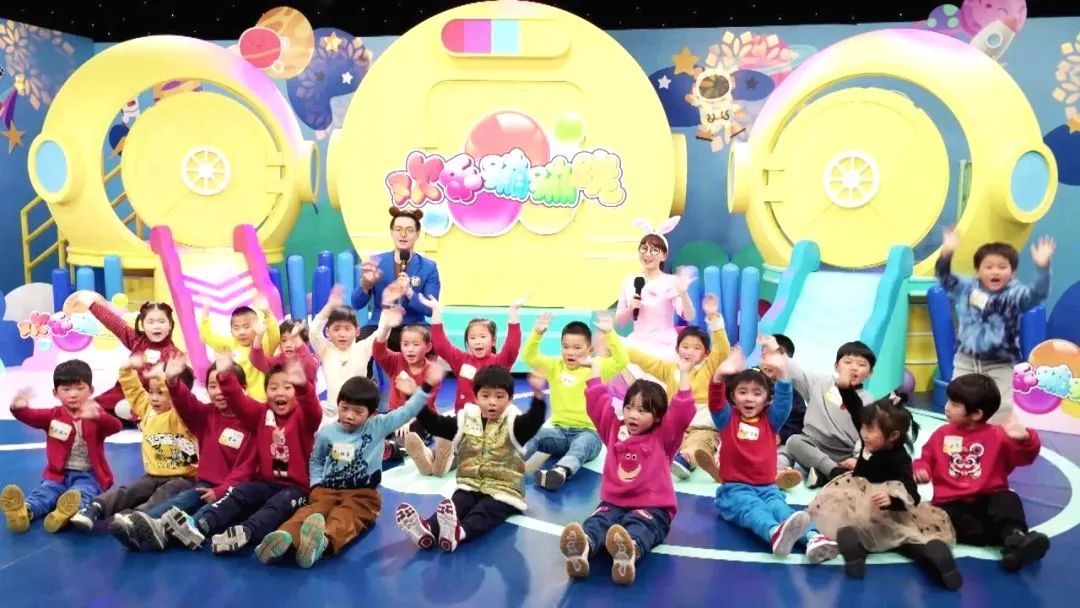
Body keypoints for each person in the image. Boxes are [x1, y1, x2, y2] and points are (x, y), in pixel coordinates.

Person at [254, 366, 445, 568]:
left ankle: (322, 542)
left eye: (358, 412)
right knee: (311, 511)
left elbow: (407, 411)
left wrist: (425, 387)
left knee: (347, 517)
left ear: (371, 414)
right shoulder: (327, 433)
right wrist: (316, 484)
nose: (349, 416)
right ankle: (284, 536)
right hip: (327, 489)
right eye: (344, 408)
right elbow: (316, 459)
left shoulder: (378, 425)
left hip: (363, 494)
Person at [154, 353, 321, 555]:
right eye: (273, 388)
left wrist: (303, 387)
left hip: (296, 488)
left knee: (276, 507)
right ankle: (200, 525)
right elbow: (239, 402)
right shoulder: (261, 414)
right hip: (266, 483)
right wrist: (225, 376)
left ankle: (245, 532)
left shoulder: (303, 417)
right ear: (265, 392)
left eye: (288, 387)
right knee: (238, 494)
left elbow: (313, 411)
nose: (280, 393)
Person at [558, 357, 696, 585]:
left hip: (653, 508)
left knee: (641, 526)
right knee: (598, 521)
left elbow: (682, 412)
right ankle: (582, 549)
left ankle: (628, 551)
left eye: (642, 410)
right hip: (613, 504)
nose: (632, 414)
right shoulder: (615, 429)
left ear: (658, 416)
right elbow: (597, 404)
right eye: (629, 407)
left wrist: (684, 374)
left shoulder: (663, 436)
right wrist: (595, 369)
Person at [808, 389, 961, 589]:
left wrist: (893, 499)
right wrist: (845, 387)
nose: (863, 433)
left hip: (889, 513)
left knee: (904, 537)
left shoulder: (900, 458)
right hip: (859, 504)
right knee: (892, 537)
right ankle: (854, 556)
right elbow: (855, 408)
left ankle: (934, 556)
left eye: (870, 429)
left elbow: (913, 494)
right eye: (863, 427)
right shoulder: (870, 440)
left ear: (893, 435)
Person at [395, 367, 546, 552]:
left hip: (503, 491)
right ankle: (427, 530)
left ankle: (460, 533)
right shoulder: (465, 421)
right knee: (457, 503)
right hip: (470, 485)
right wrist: (413, 395)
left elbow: (533, 421)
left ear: (510, 399)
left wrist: (538, 395)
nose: (492, 402)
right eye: (485, 396)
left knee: (484, 511)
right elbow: (434, 424)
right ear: (475, 397)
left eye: (500, 396)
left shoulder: (514, 425)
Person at [708, 352, 838, 563]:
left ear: (768, 399)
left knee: (782, 509)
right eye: (742, 392)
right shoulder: (727, 419)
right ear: (732, 396)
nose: (749, 398)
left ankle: (813, 538)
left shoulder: (771, 421)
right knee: (753, 509)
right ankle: (773, 532)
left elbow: (785, 402)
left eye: (757, 393)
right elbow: (715, 401)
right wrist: (719, 376)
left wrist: (783, 374)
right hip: (735, 490)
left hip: (768, 488)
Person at [913, 373, 1050, 572]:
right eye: (949, 401)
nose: (947, 407)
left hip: (988, 498)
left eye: (954, 404)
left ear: (976, 414)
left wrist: (1026, 439)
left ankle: (1015, 539)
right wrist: (921, 469)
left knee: (1008, 500)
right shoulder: (942, 434)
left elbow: (1025, 457)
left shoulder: (998, 436)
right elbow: (926, 457)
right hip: (951, 502)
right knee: (942, 518)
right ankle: (1007, 543)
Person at [124, 358, 258, 552]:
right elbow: (186, 404)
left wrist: (221, 490)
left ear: (241, 389)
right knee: (182, 500)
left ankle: (166, 532)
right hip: (205, 484)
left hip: (235, 490)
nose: (218, 392)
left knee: (206, 511)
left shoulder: (253, 420)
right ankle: (145, 523)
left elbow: (247, 468)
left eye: (225, 385)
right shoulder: (207, 414)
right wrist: (172, 382)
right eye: (212, 386)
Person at [935, 227, 1055, 422]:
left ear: (1012, 272)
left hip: (1001, 364)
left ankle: (995, 438)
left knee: (1001, 410)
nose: (995, 271)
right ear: (978, 271)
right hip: (966, 361)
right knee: (958, 406)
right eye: (989, 267)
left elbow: (1038, 293)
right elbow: (944, 277)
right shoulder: (966, 288)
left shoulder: (1016, 294)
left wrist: (1043, 268)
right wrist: (947, 252)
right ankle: (958, 438)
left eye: (1002, 267)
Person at [74, 355, 199, 542]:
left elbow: (184, 401)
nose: (154, 397)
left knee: (164, 495)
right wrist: (127, 369)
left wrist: (173, 382)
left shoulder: (183, 415)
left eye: (161, 392)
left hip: (183, 478)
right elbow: (133, 390)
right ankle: (95, 508)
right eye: (151, 391)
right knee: (130, 490)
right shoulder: (148, 409)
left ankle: (136, 517)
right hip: (153, 475)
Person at [2, 360, 122, 533]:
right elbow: (32, 416)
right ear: (55, 393)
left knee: (82, 492)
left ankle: (63, 513)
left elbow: (116, 426)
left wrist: (98, 417)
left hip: (88, 475)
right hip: (57, 475)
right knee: (45, 493)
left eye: (80, 388)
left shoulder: (96, 414)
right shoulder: (53, 415)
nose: (73, 394)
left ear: (91, 390)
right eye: (66, 389)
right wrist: (18, 408)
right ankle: (24, 512)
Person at [625, 294, 729, 482]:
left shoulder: (709, 368)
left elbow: (722, 349)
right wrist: (616, 346)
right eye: (685, 346)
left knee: (698, 444)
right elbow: (644, 360)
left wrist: (713, 317)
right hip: (676, 426)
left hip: (703, 428)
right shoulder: (670, 368)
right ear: (677, 349)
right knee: (658, 436)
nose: (689, 351)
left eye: (696, 348)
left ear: (706, 353)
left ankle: (686, 460)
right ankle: (646, 455)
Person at [523, 312, 629, 490]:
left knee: (581, 445)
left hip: (589, 434)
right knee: (534, 435)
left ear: (590, 350)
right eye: (565, 347)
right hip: (559, 433)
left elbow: (622, 361)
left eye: (577, 348)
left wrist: (610, 333)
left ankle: (560, 472)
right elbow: (529, 357)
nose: (570, 352)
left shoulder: (597, 367)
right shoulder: (555, 366)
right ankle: (509, 465)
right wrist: (537, 333)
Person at [764, 335, 875, 487]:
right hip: (811, 446)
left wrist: (857, 459)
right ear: (836, 366)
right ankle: (779, 472)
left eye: (861, 365)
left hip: (843, 454)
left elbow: (868, 436)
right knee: (793, 443)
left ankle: (832, 473)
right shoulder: (821, 383)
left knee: (793, 444)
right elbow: (796, 372)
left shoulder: (868, 402)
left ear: (870, 373)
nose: (853, 368)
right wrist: (776, 350)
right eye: (848, 362)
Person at [613, 217, 695, 389]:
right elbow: (620, 322)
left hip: (664, 347)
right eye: (644, 249)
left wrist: (682, 293)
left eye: (654, 250)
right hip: (637, 343)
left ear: (664, 255)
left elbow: (688, 315)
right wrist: (630, 309)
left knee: (660, 391)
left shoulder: (671, 281)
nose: (647, 254)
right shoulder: (630, 281)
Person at [352, 207, 441, 353]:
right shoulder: (376, 262)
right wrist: (365, 286)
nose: (403, 234)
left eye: (409, 230)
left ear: (417, 234)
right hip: (379, 324)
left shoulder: (429, 267)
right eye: (398, 229)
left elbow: (430, 310)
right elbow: (356, 303)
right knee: (360, 344)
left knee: (435, 343)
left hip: (414, 326)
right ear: (392, 232)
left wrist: (409, 293)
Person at [81, 293, 181, 421]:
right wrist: (92, 305)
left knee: (130, 409)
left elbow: (179, 389)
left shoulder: (174, 354)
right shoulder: (137, 340)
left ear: (170, 325)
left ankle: (140, 417)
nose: (156, 326)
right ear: (143, 325)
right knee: (86, 410)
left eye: (161, 321)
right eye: (150, 322)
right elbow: (114, 322)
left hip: (151, 398)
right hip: (123, 392)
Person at [374, 307, 450, 477]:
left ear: (427, 347)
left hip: (419, 417)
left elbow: (425, 404)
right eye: (405, 344)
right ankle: (383, 445)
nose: (409, 349)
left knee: (409, 433)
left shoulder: (432, 371)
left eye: (416, 345)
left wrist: (407, 420)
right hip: (395, 415)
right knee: (377, 425)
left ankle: (397, 449)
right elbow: (379, 352)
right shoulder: (396, 360)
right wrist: (385, 327)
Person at [425, 294, 523, 413]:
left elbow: (512, 347)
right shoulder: (461, 360)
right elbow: (441, 346)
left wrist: (513, 313)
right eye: (472, 338)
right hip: (464, 418)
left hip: (491, 418)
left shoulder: (499, 362)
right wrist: (436, 312)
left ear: (493, 341)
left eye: (483, 336)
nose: (477, 341)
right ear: (467, 342)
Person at [309, 286, 381, 424]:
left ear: (357, 332)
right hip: (332, 413)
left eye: (347, 329)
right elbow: (313, 331)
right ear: (327, 332)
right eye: (336, 329)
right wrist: (330, 306)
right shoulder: (325, 350)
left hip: (358, 410)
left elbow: (380, 334)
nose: (342, 334)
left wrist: (389, 313)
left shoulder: (362, 348)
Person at [199, 296, 281, 401]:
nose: (241, 332)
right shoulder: (229, 344)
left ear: (257, 326)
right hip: (238, 399)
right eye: (236, 328)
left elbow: (275, 336)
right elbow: (207, 336)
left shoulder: (263, 344)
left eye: (246, 327)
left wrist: (267, 312)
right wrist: (205, 312)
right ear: (231, 331)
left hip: (262, 399)